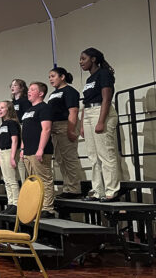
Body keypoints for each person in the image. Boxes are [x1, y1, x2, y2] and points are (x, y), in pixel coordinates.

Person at [80, 47, 120, 202]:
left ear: (93, 59)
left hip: (101, 111)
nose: (80, 62)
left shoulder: (104, 74)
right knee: (93, 156)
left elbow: (106, 98)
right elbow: (85, 102)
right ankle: (97, 191)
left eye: (83, 58)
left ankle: (111, 190)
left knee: (105, 153)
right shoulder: (89, 79)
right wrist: (83, 124)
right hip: (89, 113)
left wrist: (101, 120)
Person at [21, 82, 56, 218]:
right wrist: (23, 148)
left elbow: (46, 129)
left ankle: (48, 208)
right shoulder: (28, 110)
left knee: (44, 179)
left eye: (32, 89)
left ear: (41, 93)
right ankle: (38, 206)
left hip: (39, 151)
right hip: (28, 151)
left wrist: (40, 149)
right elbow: (24, 130)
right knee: (33, 181)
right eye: (29, 89)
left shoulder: (44, 108)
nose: (29, 92)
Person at [48, 67, 83, 199]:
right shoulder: (53, 94)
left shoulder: (70, 91)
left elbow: (73, 111)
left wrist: (71, 129)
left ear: (62, 77)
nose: (51, 79)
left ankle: (74, 189)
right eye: (49, 77)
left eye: (53, 76)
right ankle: (68, 187)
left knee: (69, 157)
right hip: (55, 127)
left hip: (65, 124)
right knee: (60, 159)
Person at [0, 101, 21, 215]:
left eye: (2, 108)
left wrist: (12, 156)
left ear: (9, 109)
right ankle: (10, 203)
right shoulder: (3, 124)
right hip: (3, 152)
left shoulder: (12, 123)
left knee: (12, 180)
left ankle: (16, 204)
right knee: (6, 180)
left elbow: (14, 139)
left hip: (10, 151)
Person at [10, 79, 30, 181]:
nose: (12, 87)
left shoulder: (25, 101)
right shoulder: (12, 102)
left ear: (22, 88)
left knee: (23, 155)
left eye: (15, 85)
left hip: (22, 126)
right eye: (11, 85)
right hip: (13, 128)